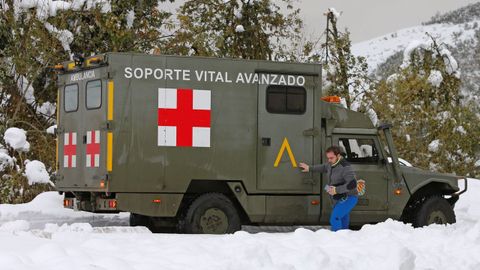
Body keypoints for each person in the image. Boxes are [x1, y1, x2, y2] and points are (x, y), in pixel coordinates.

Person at [299, 145, 358, 231]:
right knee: (343, 219)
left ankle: (336, 239)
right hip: (339, 197)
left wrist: (336, 190)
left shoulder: (345, 167)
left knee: (335, 218)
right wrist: (309, 168)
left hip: (349, 198)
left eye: (331, 158)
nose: (329, 160)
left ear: (338, 156)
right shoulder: (331, 164)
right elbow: (323, 167)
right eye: (328, 158)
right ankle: (345, 239)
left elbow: (353, 184)